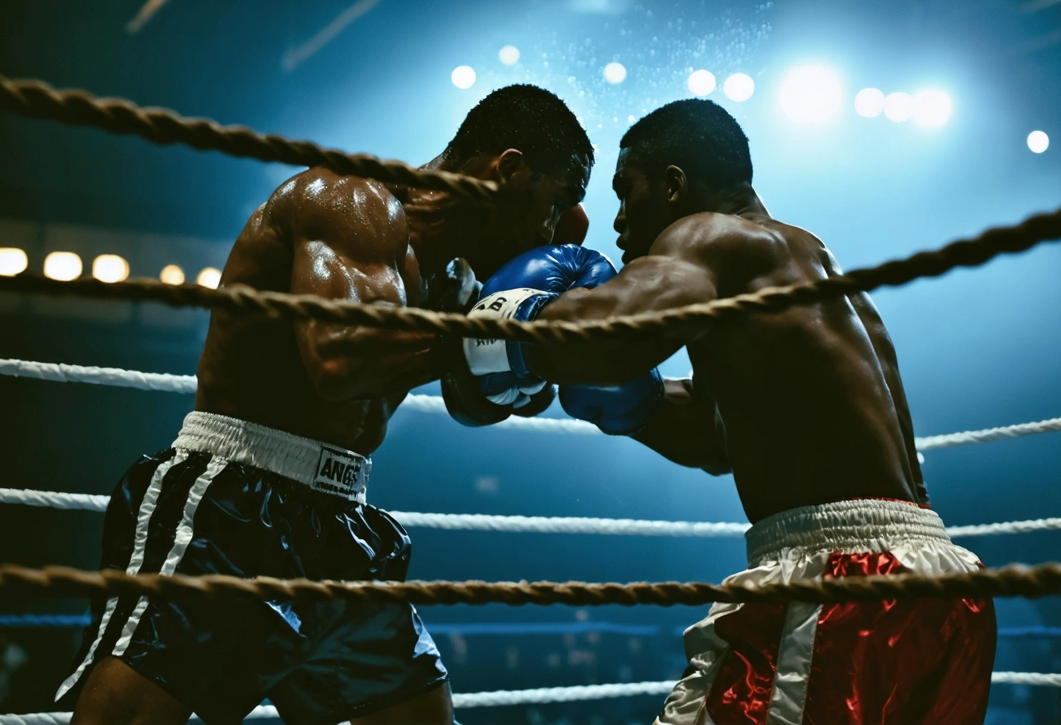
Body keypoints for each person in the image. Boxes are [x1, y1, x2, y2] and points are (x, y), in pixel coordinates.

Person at [57, 84, 594, 725]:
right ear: (505, 170)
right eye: (554, 201)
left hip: (343, 522)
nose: (550, 229)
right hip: (237, 497)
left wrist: (529, 361)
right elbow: (339, 360)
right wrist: (499, 338)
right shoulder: (351, 200)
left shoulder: (457, 275)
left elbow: (469, 403)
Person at [456, 99, 997, 725]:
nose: (621, 224)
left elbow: (608, 337)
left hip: (841, 584)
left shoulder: (708, 236)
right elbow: (722, 437)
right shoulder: (803, 262)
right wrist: (636, 406)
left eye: (626, 194)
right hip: (940, 586)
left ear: (674, 184)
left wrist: (502, 322)